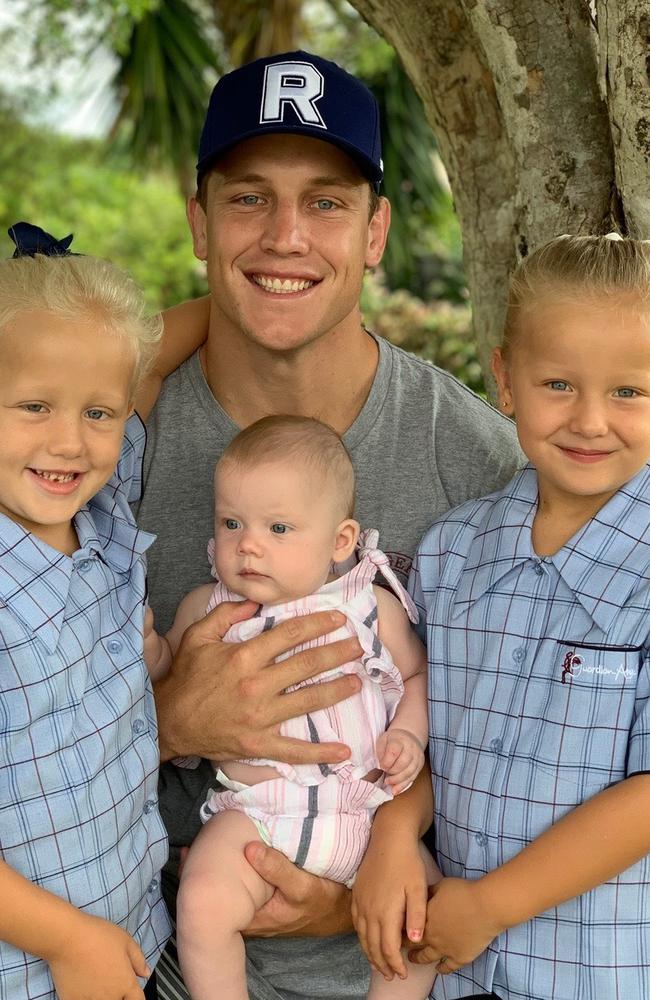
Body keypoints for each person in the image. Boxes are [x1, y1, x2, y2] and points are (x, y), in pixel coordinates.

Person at [138, 51, 523, 1000]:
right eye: (247, 200)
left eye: (326, 202)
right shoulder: (108, 443)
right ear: (198, 221)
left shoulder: (476, 457)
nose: (285, 237)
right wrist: (170, 722)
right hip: (164, 965)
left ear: (376, 230)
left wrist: (375, 856)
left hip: (409, 960)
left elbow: (531, 728)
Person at [355, 233, 650, 999]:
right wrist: (393, 831)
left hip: (600, 976)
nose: (590, 420)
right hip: (456, 975)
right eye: (558, 383)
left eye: (629, 392)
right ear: (506, 380)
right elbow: (430, 733)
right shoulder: (455, 552)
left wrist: (491, 905)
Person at [149, 414, 438, 1000]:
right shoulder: (209, 607)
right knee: (201, 900)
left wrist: (408, 733)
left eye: (278, 528)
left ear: (340, 541)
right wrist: (150, 646)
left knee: (423, 919)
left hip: (364, 814)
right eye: (232, 523)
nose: (247, 544)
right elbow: (170, 680)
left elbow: (417, 675)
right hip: (256, 814)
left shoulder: (369, 607)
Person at [0, 222, 174, 1000]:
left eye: (99, 414)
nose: (69, 442)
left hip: (141, 939)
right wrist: (69, 945)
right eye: (33, 405)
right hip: (37, 971)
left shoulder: (100, 512)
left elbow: (150, 358)